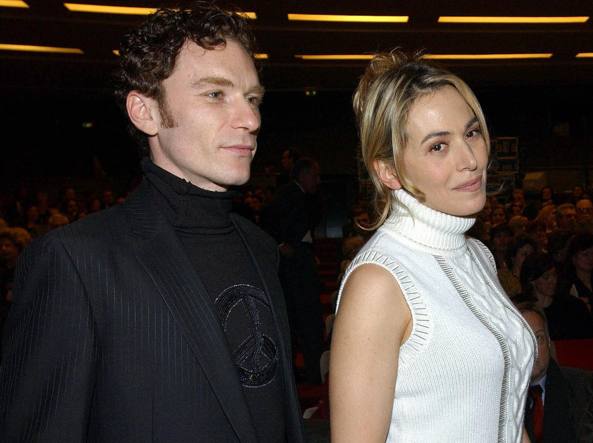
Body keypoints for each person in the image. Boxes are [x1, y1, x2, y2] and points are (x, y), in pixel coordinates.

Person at [0, 3, 304, 442]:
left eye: (252, 98)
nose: (251, 120)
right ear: (146, 112)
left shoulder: (260, 247)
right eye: (215, 95)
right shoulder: (77, 261)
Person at [329, 50, 535, 442]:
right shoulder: (379, 282)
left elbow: (505, 408)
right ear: (389, 171)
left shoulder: (477, 255)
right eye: (438, 146)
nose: (471, 160)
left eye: (471, 133)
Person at [262, 157, 325, 384]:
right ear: (304, 175)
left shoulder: (300, 195)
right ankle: (311, 374)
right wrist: (281, 245)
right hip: (294, 267)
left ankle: (312, 371)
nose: (318, 181)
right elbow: (268, 219)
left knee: (306, 319)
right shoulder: (289, 194)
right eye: (315, 176)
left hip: (300, 259)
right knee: (306, 319)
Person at [516, 302, 593, 443]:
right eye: (522, 341)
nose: (532, 350)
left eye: (538, 338)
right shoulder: (500, 397)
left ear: (549, 341)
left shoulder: (586, 388)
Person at [518, 252, 593, 339]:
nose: (552, 281)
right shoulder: (522, 308)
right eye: (546, 277)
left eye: (554, 275)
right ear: (532, 280)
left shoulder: (573, 306)